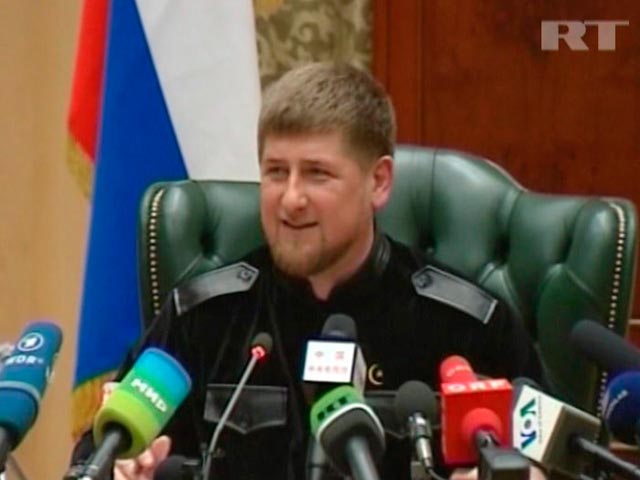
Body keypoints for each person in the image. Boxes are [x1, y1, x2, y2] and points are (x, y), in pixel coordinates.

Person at [71, 62, 545, 479]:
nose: (291, 199)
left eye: (317, 174)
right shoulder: (202, 316)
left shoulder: (467, 324)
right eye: (276, 172)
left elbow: (556, 460)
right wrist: (121, 469)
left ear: (379, 182)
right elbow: (98, 453)